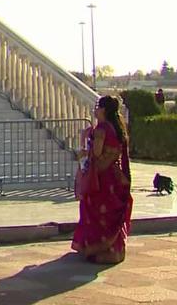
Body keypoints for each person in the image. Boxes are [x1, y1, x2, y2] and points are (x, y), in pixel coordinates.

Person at [71, 95, 133, 264]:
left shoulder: (101, 129)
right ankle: (113, 249)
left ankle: (96, 249)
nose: (95, 110)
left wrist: (85, 147)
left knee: (94, 211)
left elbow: (97, 153)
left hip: (101, 178)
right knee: (110, 214)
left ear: (104, 110)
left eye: (97, 107)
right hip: (114, 175)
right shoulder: (117, 128)